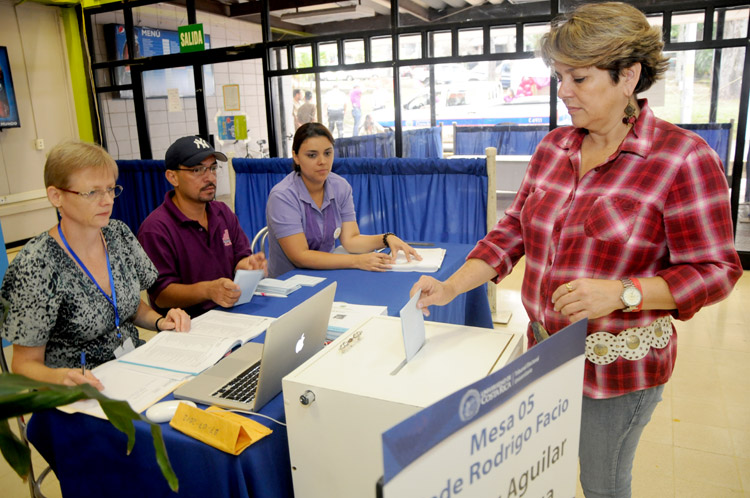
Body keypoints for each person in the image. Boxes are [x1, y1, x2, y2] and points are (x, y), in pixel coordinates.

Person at [410, 3, 742, 497]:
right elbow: (511, 233)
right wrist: (451, 285)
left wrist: (623, 293)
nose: (563, 91)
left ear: (628, 76)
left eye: (579, 78)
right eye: (559, 77)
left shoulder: (681, 158)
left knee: (602, 483)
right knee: (548, 470)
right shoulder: (554, 148)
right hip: (545, 353)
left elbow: (717, 270)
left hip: (616, 369)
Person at [0, 141, 190, 389]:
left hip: (136, 369)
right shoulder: (36, 264)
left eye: (111, 189)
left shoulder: (118, 234)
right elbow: (24, 366)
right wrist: (63, 378)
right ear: (56, 196)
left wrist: (159, 322)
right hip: (81, 392)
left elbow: (129, 307)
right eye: (92, 192)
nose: (107, 201)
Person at [265, 122, 421, 278]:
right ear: (296, 157)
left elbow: (351, 240)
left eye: (327, 153)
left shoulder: (340, 186)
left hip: (326, 276)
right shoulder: (282, 196)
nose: (322, 161)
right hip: (287, 286)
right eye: (312, 155)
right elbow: (300, 256)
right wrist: (357, 261)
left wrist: (386, 238)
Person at [138, 136, 266, 317]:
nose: (210, 177)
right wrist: (208, 290)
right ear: (172, 177)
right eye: (198, 170)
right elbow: (161, 295)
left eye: (213, 168)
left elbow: (240, 258)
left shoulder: (222, 212)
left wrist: (248, 266)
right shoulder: (156, 229)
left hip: (232, 312)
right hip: (188, 326)